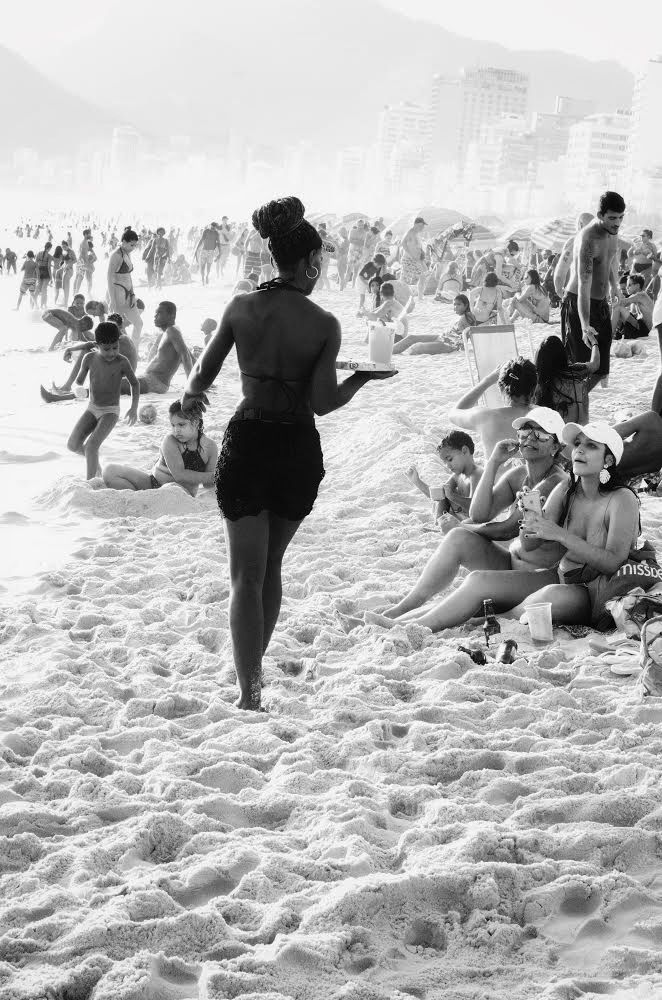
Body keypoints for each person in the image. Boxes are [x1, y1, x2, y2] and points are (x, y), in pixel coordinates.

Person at [181, 195, 395, 711]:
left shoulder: (240, 308)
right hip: (297, 447)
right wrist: (363, 376)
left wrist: (194, 401)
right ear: (310, 263)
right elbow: (323, 403)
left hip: (249, 442)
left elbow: (198, 380)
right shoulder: (324, 323)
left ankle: (247, 690)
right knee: (272, 565)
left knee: (244, 576)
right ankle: (255, 670)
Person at [369, 407, 568, 624]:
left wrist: (461, 526)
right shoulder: (520, 474)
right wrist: (493, 462)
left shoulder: (554, 482)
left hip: (541, 577)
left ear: (556, 446)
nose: (530, 439)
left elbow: (507, 530)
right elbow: (479, 513)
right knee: (458, 540)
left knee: (473, 576)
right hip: (512, 563)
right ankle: (397, 613)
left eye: (540, 435)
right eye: (524, 433)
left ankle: (408, 626)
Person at [512, 422, 640, 628]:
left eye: (591, 446)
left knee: (545, 598)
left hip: (595, 594)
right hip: (561, 578)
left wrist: (561, 535)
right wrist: (530, 514)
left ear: (608, 459)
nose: (579, 449)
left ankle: (492, 619)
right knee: (479, 580)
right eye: (578, 443)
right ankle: (487, 617)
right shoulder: (567, 488)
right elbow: (529, 545)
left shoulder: (622, 498)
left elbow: (613, 563)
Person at [562, 191, 625, 390]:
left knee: (602, 369)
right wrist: (585, 324)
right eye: (612, 217)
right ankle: (574, 403)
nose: (617, 222)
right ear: (600, 216)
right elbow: (583, 285)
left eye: (621, 217)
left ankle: (579, 399)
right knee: (580, 368)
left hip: (600, 303)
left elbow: (606, 264)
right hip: (579, 303)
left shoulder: (613, 233)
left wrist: (614, 286)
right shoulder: (588, 240)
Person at [67, 321, 139, 480]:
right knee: (72, 445)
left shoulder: (122, 362)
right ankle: (95, 466)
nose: (112, 352)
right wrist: (77, 389)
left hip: (110, 411)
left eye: (115, 347)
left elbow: (135, 383)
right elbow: (78, 382)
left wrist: (134, 408)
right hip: (92, 408)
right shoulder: (89, 358)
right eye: (106, 349)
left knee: (92, 446)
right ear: (97, 344)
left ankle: (91, 483)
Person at [103, 400, 218, 497]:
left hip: (180, 496)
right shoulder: (170, 441)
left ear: (196, 422)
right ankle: (136, 498)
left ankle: (142, 499)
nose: (176, 430)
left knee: (173, 488)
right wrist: (216, 476)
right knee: (110, 470)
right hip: (152, 485)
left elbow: (209, 485)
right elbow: (179, 474)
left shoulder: (210, 447)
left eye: (181, 425)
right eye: (173, 425)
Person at [448, 356, 537, 460]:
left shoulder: (486, 417)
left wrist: (487, 381)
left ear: (500, 388)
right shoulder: (545, 415)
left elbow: (453, 413)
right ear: (534, 388)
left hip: (495, 476)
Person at [406, 429, 483, 534]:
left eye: (450, 459)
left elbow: (477, 509)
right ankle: (440, 526)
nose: (448, 465)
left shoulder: (477, 475)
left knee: (449, 494)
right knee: (443, 492)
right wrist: (417, 481)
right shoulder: (456, 476)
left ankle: (447, 529)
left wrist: (453, 497)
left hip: (475, 521)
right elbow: (436, 495)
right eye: (445, 462)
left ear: (464, 451)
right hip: (459, 518)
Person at [120, 300, 192, 395]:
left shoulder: (172, 331)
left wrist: (191, 385)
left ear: (172, 316)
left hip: (155, 382)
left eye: (159, 313)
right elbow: (191, 356)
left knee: (112, 384)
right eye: (155, 313)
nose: (155, 316)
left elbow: (186, 356)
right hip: (149, 379)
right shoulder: (167, 333)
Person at [533, 334, 599, 423]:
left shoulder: (537, 381)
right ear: (563, 355)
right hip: (576, 431)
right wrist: (594, 343)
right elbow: (595, 364)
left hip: (546, 433)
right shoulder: (575, 370)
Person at [392, 293, 475, 355]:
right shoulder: (463, 316)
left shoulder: (467, 318)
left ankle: (390, 352)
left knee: (416, 348)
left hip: (449, 345)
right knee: (411, 338)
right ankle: (389, 351)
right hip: (441, 337)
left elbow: (472, 334)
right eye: (454, 305)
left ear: (466, 305)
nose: (455, 307)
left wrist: (470, 348)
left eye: (459, 304)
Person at [107, 228, 143, 347]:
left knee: (138, 323)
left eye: (135, 245)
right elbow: (109, 277)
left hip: (128, 293)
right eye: (131, 245)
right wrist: (112, 299)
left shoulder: (127, 253)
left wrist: (132, 294)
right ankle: (121, 351)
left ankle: (134, 348)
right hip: (116, 293)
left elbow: (128, 276)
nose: (133, 248)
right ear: (123, 242)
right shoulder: (116, 255)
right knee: (117, 327)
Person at [553, 212, 594, 299]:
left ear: (580, 224)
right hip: (598, 296)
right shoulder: (605, 243)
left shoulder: (573, 243)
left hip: (576, 294)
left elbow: (560, 272)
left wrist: (559, 291)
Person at [612, 272, 653, 339]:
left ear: (637, 285)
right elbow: (625, 305)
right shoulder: (635, 298)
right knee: (617, 310)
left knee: (618, 308)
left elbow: (623, 302)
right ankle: (617, 332)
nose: (627, 288)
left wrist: (613, 298)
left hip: (643, 330)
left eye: (629, 285)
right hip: (640, 327)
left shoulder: (641, 295)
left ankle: (610, 334)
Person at [400, 216, 429, 299]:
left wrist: (422, 252)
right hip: (408, 259)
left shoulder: (416, 234)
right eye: (421, 226)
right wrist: (411, 254)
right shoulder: (410, 232)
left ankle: (420, 296)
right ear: (416, 224)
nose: (422, 227)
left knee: (423, 276)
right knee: (405, 280)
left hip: (417, 260)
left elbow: (417, 246)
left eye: (423, 226)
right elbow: (403, 243)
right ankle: (400, 295)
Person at [35, 242, 53, 309]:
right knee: (44, 289)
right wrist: (51, 277)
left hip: (39, 271)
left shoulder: (39, 253)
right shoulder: (49, 256)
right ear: (49, 248)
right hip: (46, 272)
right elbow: (48, 267)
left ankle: (34, 303)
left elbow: (36, 264)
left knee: (38, 288)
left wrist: (37, 274)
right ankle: (43, 305)